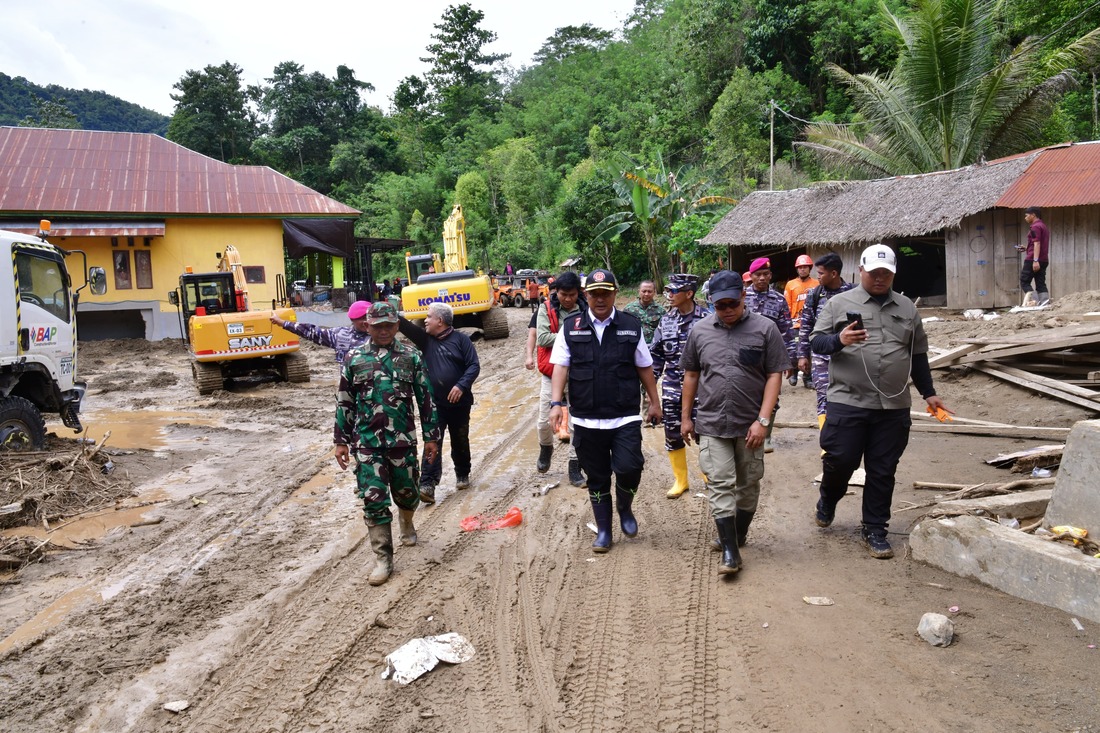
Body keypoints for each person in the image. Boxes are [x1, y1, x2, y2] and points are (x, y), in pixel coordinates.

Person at [809, 244, 952, 560]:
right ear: (860, 270)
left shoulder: (906, 309)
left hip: (893, 405)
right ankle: (828, 498)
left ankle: (875, 529)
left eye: (886, 273)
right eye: (874, 272)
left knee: (882, 470)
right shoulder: (838, 304)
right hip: (848, 400)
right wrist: (839, 340)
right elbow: (816, 341)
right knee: (840, 460)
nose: (880, 278)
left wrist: (929, 393)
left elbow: (918, 355)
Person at [680, 271, 788, 574]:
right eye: (720, 305)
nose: (727, 310)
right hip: (712, 422)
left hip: (749, 424)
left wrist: (763, 421)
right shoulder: (700, 331)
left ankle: (738, 535)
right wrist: (686, 418)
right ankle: (729, 551)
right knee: (720, 482)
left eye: (732, 303)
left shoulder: (766, 329)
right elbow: (690, 375)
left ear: (743, 296)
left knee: (749, 483)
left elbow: (774, 375)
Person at [548, 269, 662, 552]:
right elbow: (560, 366)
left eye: (606, 293)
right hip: (586, 417)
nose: (600, 298)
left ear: (615, 294)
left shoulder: (630, 325)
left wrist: (654, 401)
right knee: (597, 477)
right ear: (586, 295)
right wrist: (556, 404)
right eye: (594, 293)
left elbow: (644, 366)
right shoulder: (571, 326)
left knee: (630, 467)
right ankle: (603, 530)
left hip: (624, 414)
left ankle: (625, 506)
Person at [334, 302, 440, 586]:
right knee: (373, 498)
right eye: (377, 325)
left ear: (396, 326)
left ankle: (407, 520)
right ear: (367, 325)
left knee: (407, 493)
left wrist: (432, 437)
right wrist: (340, 441)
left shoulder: (411, 357)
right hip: (367, 443)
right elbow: (344, 402)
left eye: (389, 325)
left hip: (402, 441)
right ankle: (383, 558)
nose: (383, 331)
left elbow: (426, 399)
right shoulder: (353, 358)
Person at [398, 302, 481, 504]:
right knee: (432, 442)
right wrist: (387, 309)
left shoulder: (461, 340)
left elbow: (473, 365)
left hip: (460, 403)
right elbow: (405, 326)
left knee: (460, 439)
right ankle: (427, 484)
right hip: (433, 405)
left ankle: (462, 473)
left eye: (428, 317)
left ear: (440, 321)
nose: (425, 320)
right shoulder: (426, 340)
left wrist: (461, 386)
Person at [649, 273, 709, 498]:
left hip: (704, 389)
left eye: (674, 291)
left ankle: (709, 477)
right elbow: (656, 356)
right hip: (673, 389)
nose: (670, 295)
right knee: (672, 434)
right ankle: (681, 481)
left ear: (689, 293)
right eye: (668, 290)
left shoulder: (707, 319)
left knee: (706, 434)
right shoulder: (666, 320)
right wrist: (651, 389)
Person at [535, 272, 586, 485]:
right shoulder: (546, 309)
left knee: (577, 423)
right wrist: (573, 336)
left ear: (578, 293)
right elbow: (542, 338)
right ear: (557, 292)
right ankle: (546, 447)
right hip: (552, 372)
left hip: (579, 373)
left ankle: (575, 466)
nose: (567, 299)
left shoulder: (586, 308)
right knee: (543, 421)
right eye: (564, 294)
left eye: (572, 294)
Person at [743, 257, 795, 452]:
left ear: (770, 276)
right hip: (746, 355)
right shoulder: (742, 297)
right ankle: (745, 432)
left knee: (772, 397)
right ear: (752, 276)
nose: (762, 278)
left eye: (766, 274)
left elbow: (787, 330)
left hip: (771, 356)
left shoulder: (779, 299)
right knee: (747, 392)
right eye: (758, 275)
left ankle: (767, 435)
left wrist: (790, 359)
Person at [797, 253, 854, 427]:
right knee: (823, 396)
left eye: (821, 273)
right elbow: (806, 326)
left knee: (848, 397)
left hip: (849, 357)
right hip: (821, 356)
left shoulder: (853, 294)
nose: (817, 276)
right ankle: (827, 441)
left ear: (834, 274)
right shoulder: (815, 295)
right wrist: (802, 355)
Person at [270, 300, 371, 365]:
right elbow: (311, 331)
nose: (365, 322)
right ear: (352, 319)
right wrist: (282, 323)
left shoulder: (382, 336)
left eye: (368, 318)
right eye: (361, 318)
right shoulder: (341, 335)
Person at [784, 254, 819, 387]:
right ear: (796, 269)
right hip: (795, 323)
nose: (802, 269)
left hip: (811, 323)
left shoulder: (816, 284)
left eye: (805, 267)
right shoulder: (790, 284)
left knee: (808, 351)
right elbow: (787, 305)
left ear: (810, 268)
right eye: (800, 267)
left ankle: (807, 378)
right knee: (794, 350)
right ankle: (793, 373)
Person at [1018, 206, 1050, 305]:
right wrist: (1027, 248)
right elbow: (1038, 244)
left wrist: (1035, 260)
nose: (1025, 218)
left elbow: (1037, 243)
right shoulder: (1043, 226)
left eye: (1027, 215)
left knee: (1024, 281)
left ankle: (1034, 302)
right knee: (1040, 283)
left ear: (1033, 215)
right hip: (1044, 259)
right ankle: (1045, 303)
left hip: (1033, 259)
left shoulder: (1035, 227)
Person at [624, 280, 663, 344]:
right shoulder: (629, 309)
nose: (646, 294)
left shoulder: (660, 310)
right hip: (634, 345)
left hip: (654, 346)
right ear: (639, 291)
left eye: (649, 291)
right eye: (644, 291)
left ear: (654, 292)